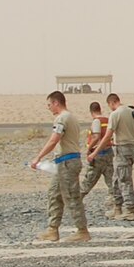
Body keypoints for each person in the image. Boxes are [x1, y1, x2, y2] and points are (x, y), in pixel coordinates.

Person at [32, 91, 90, 244]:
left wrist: (38, 157)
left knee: (71, 196)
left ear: (56, 102)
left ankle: (82, 230)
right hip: (63, 163)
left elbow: (54, 140)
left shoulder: (62, 118)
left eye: (50, 104)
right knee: (54, 194)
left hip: (67, 163)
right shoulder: (70, 117)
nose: (49, 108)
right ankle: (53, 229)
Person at [103, 91, 134, 220]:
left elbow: (108, 134)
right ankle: (117, 208)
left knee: (124, 179)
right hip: (130, 149)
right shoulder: (133, 113)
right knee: (116, 178)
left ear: (111, 102)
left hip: (122, 149)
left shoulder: (115, 114)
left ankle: (129, 210)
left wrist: (96, 150)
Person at [80, 101, 116, 211]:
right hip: (109, 153)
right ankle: (114, 200)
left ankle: (77, 199)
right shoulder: (108, 120)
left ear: (91, 111)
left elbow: (96, 137)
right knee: (111, 178)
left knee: (89, 180)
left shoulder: (96, 121)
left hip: (98, 154)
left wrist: (88, 149)